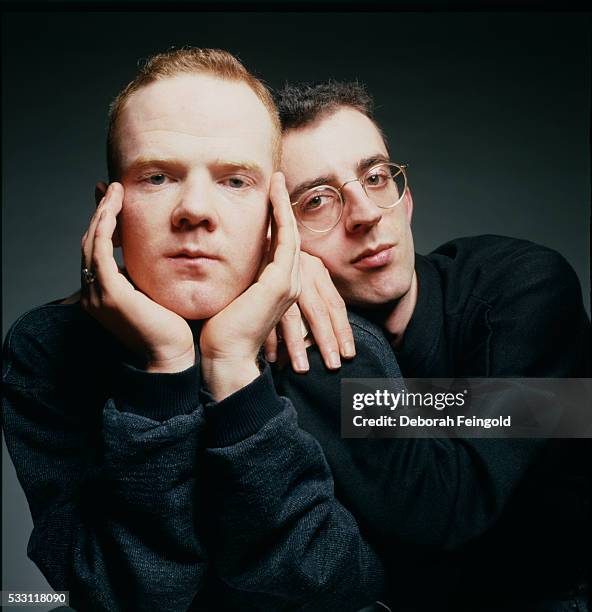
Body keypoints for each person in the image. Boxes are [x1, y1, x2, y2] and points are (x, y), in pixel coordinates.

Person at [2, 50, 385, 612]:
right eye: (156, 177)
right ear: (107, 214)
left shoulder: (336, 339)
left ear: (276, 213)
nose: (195, 210)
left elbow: (350, 586)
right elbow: (111, 596)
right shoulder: (46, 350)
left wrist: (234, 374)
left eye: (234, 180)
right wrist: (163, 371)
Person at [272, 80, 592, 611]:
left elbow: (451, 505)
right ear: (277, 233)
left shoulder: (525, 286)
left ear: (407, 198)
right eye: (317, 201)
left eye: (377, 178)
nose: (366, 214)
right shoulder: (282, 321)